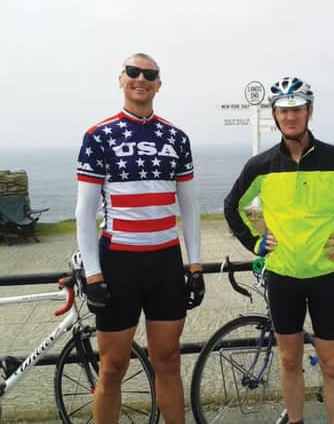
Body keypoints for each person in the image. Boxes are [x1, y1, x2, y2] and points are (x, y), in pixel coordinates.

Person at [224, 77, 334, 424]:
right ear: (275, 115)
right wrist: (255, 242)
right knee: (288, 360)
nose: (290, 116)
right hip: (282, 277)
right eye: (283, 110)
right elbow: (232, 206)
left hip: (324, 277)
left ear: (309, 111)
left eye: (296, 109)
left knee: (331, 364)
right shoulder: (261, 165)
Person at [75, 52, 204, 424]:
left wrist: (195, 266)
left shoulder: (177, 138)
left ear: (158, 84)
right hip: (118, 263)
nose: (140, 78)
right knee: (113, 367)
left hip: (165, 262)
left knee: (168, 361)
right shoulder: (98, 136)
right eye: (133, 71)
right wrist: (93, 273)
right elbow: (84, 213)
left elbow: (190, 208)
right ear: (121, 79)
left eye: (149, 74)